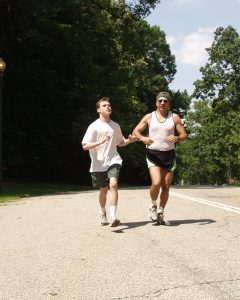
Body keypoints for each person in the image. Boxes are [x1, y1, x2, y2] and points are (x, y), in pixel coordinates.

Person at [132, 91, 187, 225]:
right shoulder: (149, 117)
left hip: (169, 155)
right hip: (153, 154)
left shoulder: (174, 118)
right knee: (156, 183)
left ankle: (161, 212)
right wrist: (143, 138)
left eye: (165, 101)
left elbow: (184, 135)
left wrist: (178, 138)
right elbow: (135, 131)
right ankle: (153, 206)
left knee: (166, 187)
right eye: (160, 101)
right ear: (156, 102)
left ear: (169, 103)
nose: (162, 103)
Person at [82, 97, 137, 227]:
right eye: (105, 105)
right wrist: (100, 142)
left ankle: (113, 217)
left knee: (113, 184)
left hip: (113, 159)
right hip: (98, 163)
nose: (108, 107)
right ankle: (102, 212)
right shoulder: (94, 126)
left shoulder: (115, 126)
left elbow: (120, 142)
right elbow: (85, 146)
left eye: (109, 105)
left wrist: (130, 140)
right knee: (103, 190)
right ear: (98, 110)